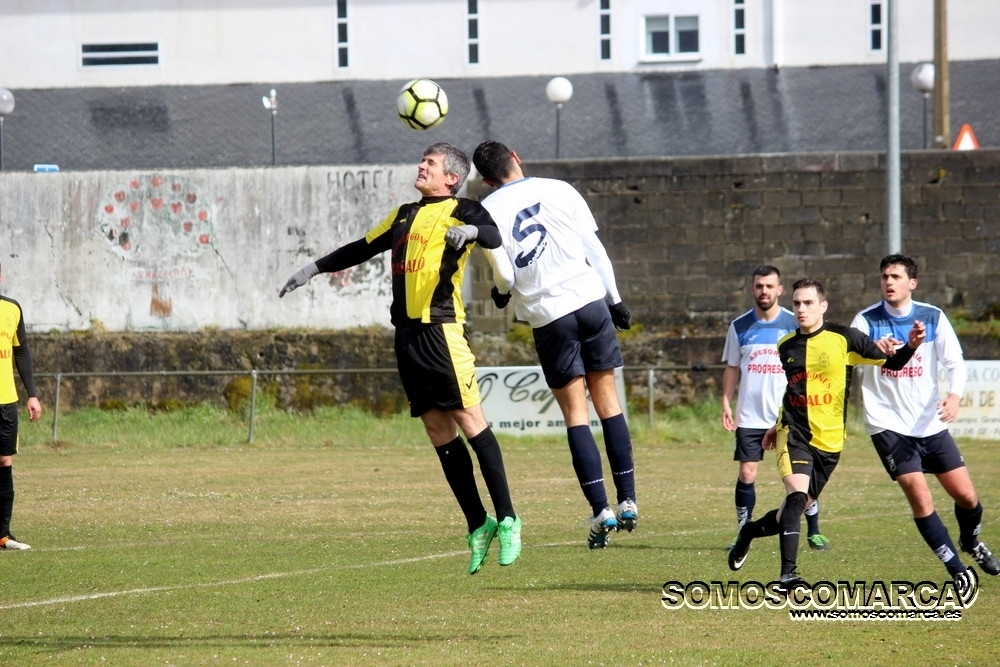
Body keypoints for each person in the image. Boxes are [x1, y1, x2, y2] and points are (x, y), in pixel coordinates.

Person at [279, 142, 522, 574]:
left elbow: (493, 236)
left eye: (430, 163)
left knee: (470, 420)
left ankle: (508, 519)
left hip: (442, 330)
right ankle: (477, 523)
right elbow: (361, 246)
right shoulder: (404, 215)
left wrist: (470, 233)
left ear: (452, 177)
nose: (421, 167)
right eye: (422, 161)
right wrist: (313, 269)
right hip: (407, 336)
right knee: (436, 429)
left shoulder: (465, 209)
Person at [472, 140, 636, 550]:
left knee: (576, 414)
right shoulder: (561, 189)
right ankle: (628, 499)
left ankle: (601, 510)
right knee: (609, 404)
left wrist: (501, 293)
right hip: (591, 301)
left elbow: (506, 276)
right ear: (516, 158)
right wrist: (615, 300)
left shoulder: (487, 210)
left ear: (486, 180)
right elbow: (595, 250)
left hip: (550, 315)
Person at [727, 277, 924, 591]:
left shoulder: (845, 338)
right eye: (796, 303)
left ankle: (749, 531)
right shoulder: (786, 345)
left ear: (823, 306)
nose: (801, 309)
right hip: (794, 433)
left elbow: (893, 362)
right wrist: (777, 425)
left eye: (808, 303)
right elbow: (794, 392)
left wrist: (911, 345)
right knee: (796, 497)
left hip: (830, 442)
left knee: (790, 512)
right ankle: (788, 575)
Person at [851, 253, 1000, 586]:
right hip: (888, 425)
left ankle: (971, 542)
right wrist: (873, 348)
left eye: (896, 277)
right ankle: (957, 571)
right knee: (921, 497)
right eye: (884, 276)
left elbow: (955, 363)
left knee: (968, 498)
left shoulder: (932, 317)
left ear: (912, 283)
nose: (889, 282)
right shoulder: (865, 321)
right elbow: (852, 357)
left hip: (929, 423)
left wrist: (955, 396)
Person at [721, 266, 830, 552]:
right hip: (750, 414)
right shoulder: (740, 326)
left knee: (800, 478)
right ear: (752, 289)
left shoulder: (794, 323)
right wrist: (726, 402)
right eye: (759, 286)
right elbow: (732, 367)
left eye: (769, 286)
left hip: (789, 415)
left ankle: (814, 531)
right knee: (747, 474)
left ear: (779, 289)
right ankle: (743, 530)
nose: (764, 291)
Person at [0, 262, 43, 551]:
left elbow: (22, 351)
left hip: (6, 402)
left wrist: (32, 394)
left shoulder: (12, 308)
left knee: (4, 462)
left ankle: (2, 535)